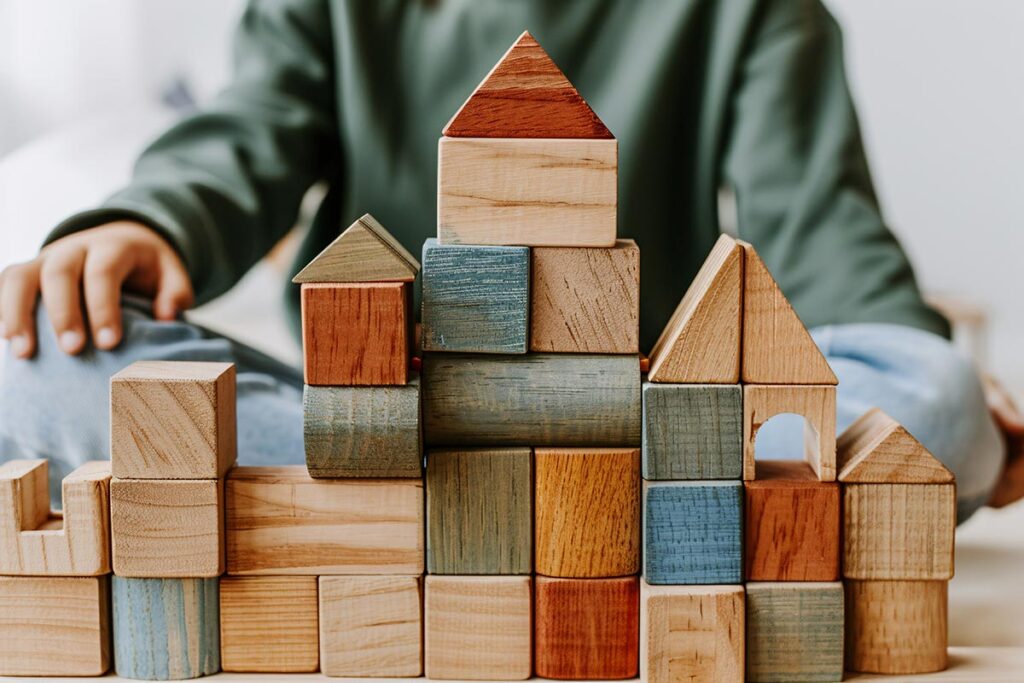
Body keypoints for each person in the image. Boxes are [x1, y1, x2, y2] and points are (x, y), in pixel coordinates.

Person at [0, 0, 1021, 519]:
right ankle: (568, 506)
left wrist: (915, 366)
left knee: (929, 404)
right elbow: (244, 139)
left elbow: (823, 224)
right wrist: (147, 220)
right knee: (34, 348)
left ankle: (428, 512)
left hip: (634, 414)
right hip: (375, 411)